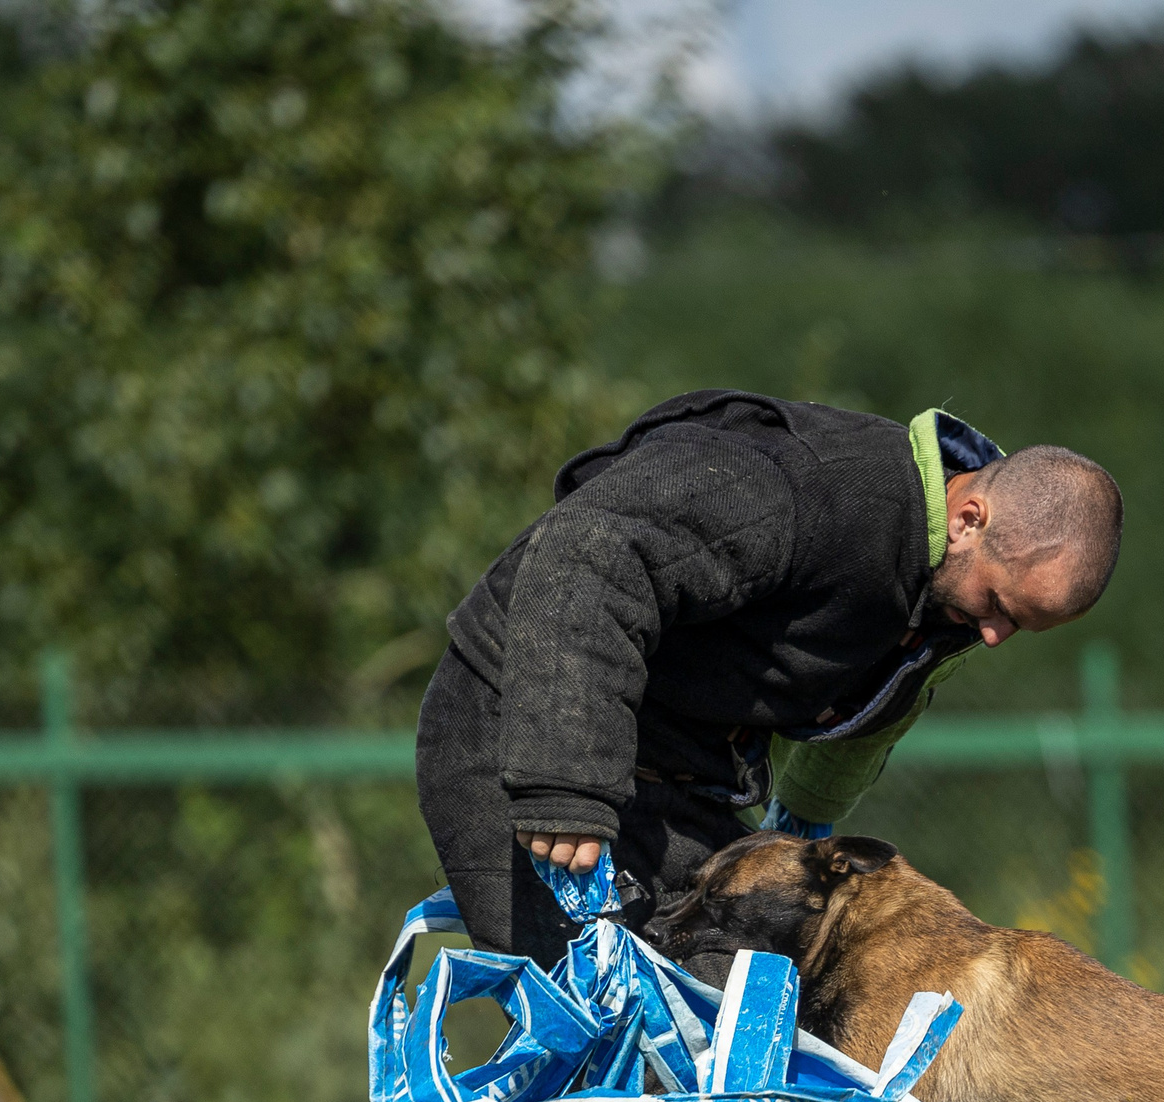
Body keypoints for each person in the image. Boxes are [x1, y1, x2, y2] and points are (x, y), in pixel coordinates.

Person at [417, 388, 1124, 966]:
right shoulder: (807, 487)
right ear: (970, 518)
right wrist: (564, 786)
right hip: (518, 732)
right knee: (613, 1057)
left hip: (681, 785)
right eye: (1001, 606)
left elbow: (864, 712)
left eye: (1018, 626)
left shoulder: (942, 588)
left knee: (728, 1058)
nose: (996, 636)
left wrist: (801, 828)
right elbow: (589, 552)